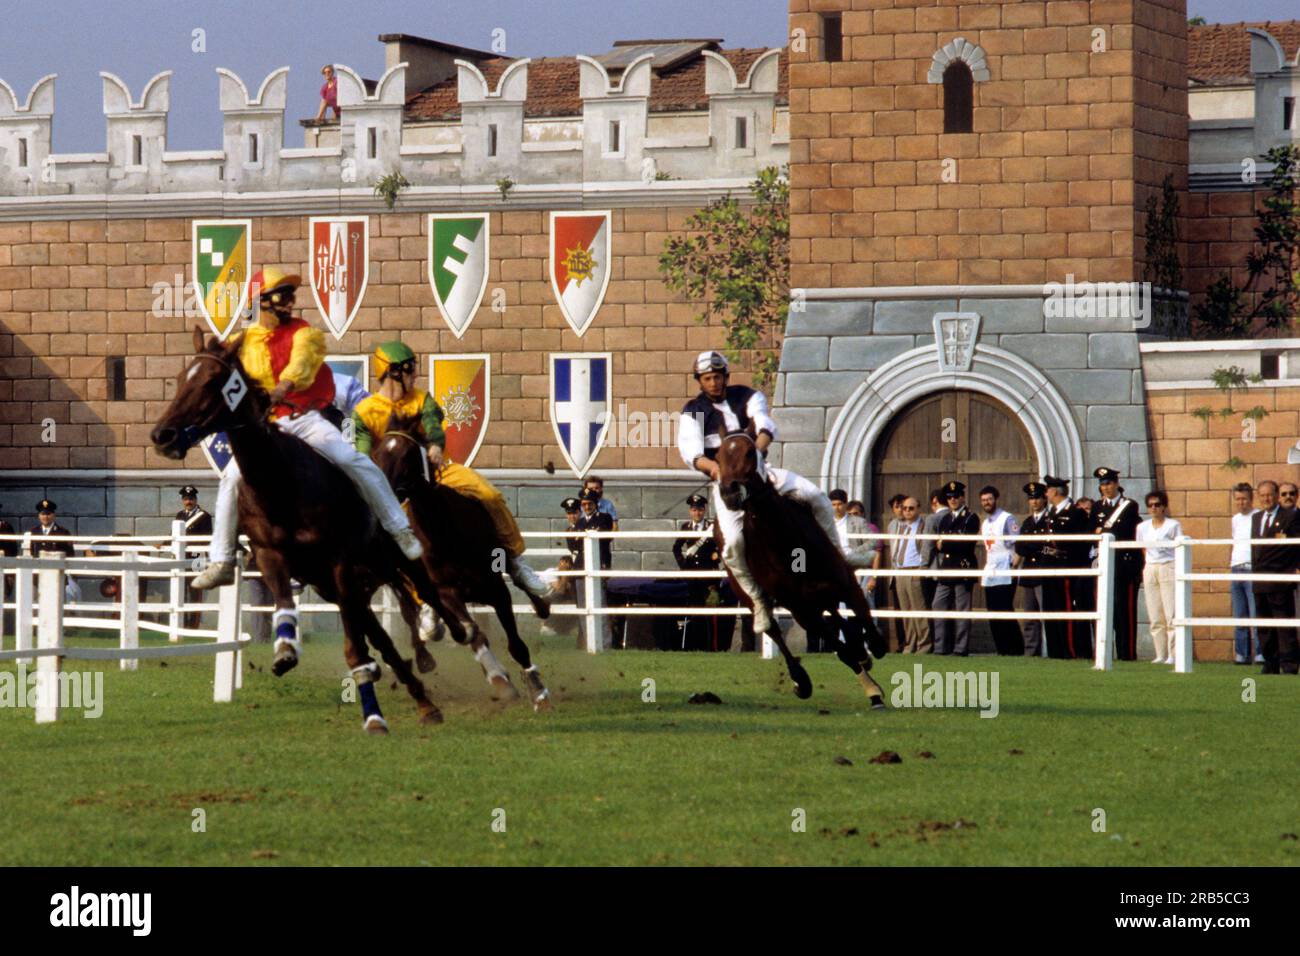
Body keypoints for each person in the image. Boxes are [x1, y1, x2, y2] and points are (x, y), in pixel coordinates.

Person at [192, 269, 424, 596]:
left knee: (354, 460)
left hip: (303, 418)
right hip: (268, 428)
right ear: (262, 301)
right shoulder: (244, 343)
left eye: (290, 294)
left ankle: (399, 531)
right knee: (230, 478)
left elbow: (300, 365)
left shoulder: (304, 333)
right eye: (282, 294)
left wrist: (282, 386)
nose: (290, 301)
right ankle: (222, 560)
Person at [675, 351, 872, 639]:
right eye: (708, 378)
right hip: (726, 484)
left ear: (726, 377)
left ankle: (840, 556)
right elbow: (691, 453)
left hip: (762, 474)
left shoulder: (748, 396)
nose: (714, 383)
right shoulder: (693, 409)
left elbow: (765, 427)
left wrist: (753, 455)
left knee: (816, 496)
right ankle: (758, 600)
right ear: (700, 381)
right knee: (732, 543)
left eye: (718, 377)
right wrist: (723, 474)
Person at [350, 340, 550, 609]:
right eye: (410, 370)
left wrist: (435, 445)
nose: (416, 375)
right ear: (393, 372)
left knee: (489, 494)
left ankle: (514, 561)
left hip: (438, 473)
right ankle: (421, 600)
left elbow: (434, 426)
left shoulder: (422, 399)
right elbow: (363, 457)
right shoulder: (364, 412)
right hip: (393, 486)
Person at [1091, 467, 1144, 661]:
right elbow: (1092, 532)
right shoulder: (1097, 507)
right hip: (1105, 564)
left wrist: (1103, 529)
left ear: (1117, 484)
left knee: (1125, 612)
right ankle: (1104, 653)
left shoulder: (1129, 506)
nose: (1106, 488)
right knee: (1106, 612)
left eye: (1109, 483)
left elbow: (1123, 531)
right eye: (1103, 484)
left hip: (1124, 565)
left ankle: (1127, 654)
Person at [1250, 479, 1300, 675]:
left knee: (1284, 624)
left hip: (1280, 577)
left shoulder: (1290, 517)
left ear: (1276, 495)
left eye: (1269, 494)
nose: (1266, 499)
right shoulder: (1256, 518)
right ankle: (1270, 662)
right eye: (1262, 495)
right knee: (1264, 624)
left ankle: (1289, 664)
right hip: (1260, 579)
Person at [1040, 477, 1093, 659]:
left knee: (1066, 608)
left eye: (1048, 490)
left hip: (1066, 565)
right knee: (1051, 608)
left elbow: (1081, 543)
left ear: (1055, 491)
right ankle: (1056, 650)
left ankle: (1070, 650)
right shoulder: (1052, 512)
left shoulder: (1075, 513)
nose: (1046, 493)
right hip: (1050, 564)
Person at [933, 481, 979, 656]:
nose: (952, 500)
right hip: (947, 568)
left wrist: (944, 545)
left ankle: (960, 648)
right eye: (949, 497)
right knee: (938, 605)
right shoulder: (945, 519)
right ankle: (940, 647)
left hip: (962, 568)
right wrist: (946, 544)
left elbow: (966, 545)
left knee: (962, 610)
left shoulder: (970, 518)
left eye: (955, 496)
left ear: (962, 497)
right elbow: (938, 543)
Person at [673, 493, 723, 651]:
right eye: (694, 510)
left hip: (709, 577)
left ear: (704, 510)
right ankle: (695, 647)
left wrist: (717, 557)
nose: (697, 513)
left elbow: (723, 546)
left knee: (710, 613)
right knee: (695, 611)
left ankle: (711, 647)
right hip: (692, 576)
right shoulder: (685, 528)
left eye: (700, 510)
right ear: (690, 511)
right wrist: (683, 565)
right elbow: (676, 548)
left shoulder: (712, 527)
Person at [1136, 491, 1181, 664]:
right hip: (1150, 567)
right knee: (1155, 614)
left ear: (1164, 507)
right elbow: (1142, 547)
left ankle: (1173, 654)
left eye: (1157, 505)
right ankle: (1160, 654)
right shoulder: (1142, 527)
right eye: (1150, 505)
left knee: (1171, 612)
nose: (1154, 508)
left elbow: (1178, 548)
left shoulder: (1173, 525)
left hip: (1168, 566)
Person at [979, 485, 1023, 655]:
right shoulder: (985, 523)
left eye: (989, 499)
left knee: (1005, 609)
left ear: (996, 499)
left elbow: (1017, 542)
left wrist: (1014, 565)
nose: (987, 503)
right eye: (983, 500)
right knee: (993, 611)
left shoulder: (1007, 519)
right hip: (991, 569)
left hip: (1006, 567)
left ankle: (1015, 649)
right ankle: (1001, 649)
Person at [1013, 482, 1051, 657]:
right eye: (1031, 499)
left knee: (1047, 615)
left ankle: (1051, 650)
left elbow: (1047, 546)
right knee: (1029, 616)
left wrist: (1032, 546)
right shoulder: (1028, 522)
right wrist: (1032, 546)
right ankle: (1031, 651)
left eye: (1037, 498)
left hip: (1043, 571)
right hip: (1029, 572)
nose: (1034, 502)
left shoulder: (1050, 520)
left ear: (1044, 498)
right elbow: (1020, 547)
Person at [1229, 482, 1262, 665]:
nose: (1241, 503)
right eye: (1238, 499)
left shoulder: (1257, 516)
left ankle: (1259, 653)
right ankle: (1241, 653)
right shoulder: (1235, 519)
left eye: (1244, 499)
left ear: (1251, 499)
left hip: (1251, 567)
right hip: (1236, 567)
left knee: (1255, 613)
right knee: (1239, 613)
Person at [891, 496, 929, 653]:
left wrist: (922, 569)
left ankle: (924, 645)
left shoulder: (922, 526)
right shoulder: (899, 526)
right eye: (904, 508)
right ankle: (910, 644)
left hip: (914, 570)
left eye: (911, 508)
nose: (907, 511)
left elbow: (926, 549)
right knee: (906, 612)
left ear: (918, 509)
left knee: (919, 611)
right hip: (900, 571)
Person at [175, 486, 213, 630]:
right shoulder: (180, 515)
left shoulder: (204, 516)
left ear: (196, 500)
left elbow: (207, 538)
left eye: (191, 499)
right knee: (181, 590)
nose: (188, 501)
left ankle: (193, 624)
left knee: (195, 590)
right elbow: (174, 533)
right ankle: (183, 622)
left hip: (197, 557)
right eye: (186, 499)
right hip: (182, 556)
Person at [29, 499, 80, 604]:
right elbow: (32, 553)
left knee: (59, 602)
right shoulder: (34, 532)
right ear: (39, 516)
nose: (45, 517)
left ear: (54, 515)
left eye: (48, 514)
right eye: (43, 514)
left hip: (57, 574)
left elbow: (70, 555)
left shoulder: (63, 532)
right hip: (38, 575)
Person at [920, 489, 950, 650]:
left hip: (935, 568)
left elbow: (927, 545)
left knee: (935, 607)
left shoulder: (933, 518)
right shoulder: (953, 516)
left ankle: (938, 644)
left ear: (935, 501)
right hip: (952, 568)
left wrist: (923, 565)